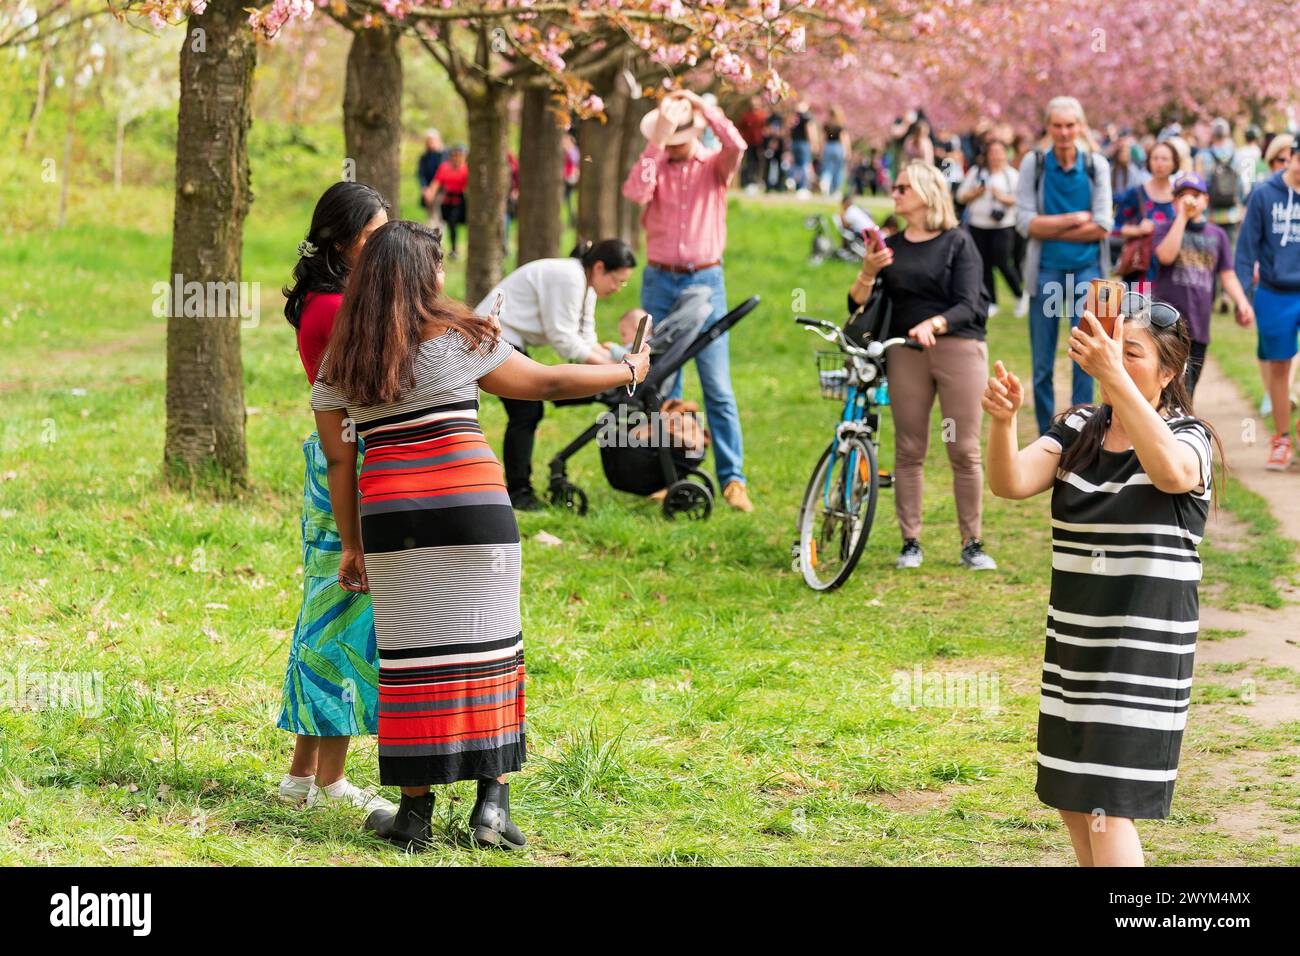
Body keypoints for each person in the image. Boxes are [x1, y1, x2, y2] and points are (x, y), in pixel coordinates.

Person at [309, 220, 650, 851]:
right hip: (474, 509)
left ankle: (414, 815)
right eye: (438, 266)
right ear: (422, 277)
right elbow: (547, 380)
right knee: (491, 649)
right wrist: (626, 370)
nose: (444, 276)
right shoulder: (463, 337)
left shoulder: (343, 358)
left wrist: (352, 546)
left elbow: (339, 461)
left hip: (393, 518)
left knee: (411, 661)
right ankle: (491, 810)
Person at [983, 291, 1217, 867]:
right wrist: (1003, 422)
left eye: (1131, 352)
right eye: (1112, 347)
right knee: (1076, 804)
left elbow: (1171, 474)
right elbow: (1009, 481)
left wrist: (1114, 378)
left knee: (1107, 810)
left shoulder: (1190, 437)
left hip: (1141, 660)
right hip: (1074, 655)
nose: (1115, 357)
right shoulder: (1080, 428)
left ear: (1170, 372)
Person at [277, 181, 394, 820]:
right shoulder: (334, 310)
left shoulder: (335, 299)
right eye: (375, 236)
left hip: (341, 462)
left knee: (329, 616)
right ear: (347, 239)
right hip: (344, 469)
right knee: (343, 622)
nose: (382, 247)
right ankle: (330, 782)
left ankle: (303, 776)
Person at [850, 161, 995, 571]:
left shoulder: (957, 242)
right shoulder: (890, 245)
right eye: (893, 187)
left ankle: (972, 542)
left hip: (958, 349)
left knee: (963, 449)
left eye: (902, 188)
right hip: (905, 351)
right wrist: (868, 270)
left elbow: (972, 303)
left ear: (927, 193)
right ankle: (910, 541)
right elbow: (856, 305)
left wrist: (936, 322)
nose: (894, 194)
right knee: (909, 449)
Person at [622, 88, 754, 512]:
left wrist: (703, 105)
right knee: (661, 382)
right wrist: (655, 143)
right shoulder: (655, 165)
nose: (675, 146)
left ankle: (733, 479)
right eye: (669, 139)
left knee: (716, 384)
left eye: (679, 137)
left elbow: (737, 144)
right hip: (659, 281)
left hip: (705, 280)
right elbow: (635, 193)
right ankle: (669, 474)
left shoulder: (715, 166)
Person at [475, 239, 643, 510]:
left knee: (529, 410)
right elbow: (563, 339)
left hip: (508, 339)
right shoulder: (569, 277)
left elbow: (586, 338)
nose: (618, 288)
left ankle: (518, 489)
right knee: (526, 412)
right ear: (600, 268)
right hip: (490, 335)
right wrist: (618, 372)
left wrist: (615, 369)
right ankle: (519, 493)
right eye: (618, 281)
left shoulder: (585, 284)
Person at [1015, 95, 1114, 435]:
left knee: (1085, 357)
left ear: (1080, 127)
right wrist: (1073, 220)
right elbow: (1025, 223)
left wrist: (1051, 225)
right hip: (1045, 270)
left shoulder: (1096, 165)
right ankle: (1049, 434)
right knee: (1042, 363)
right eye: (1057, 125)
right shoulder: (1035, 163)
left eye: (1070, 125)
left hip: (1089, 271)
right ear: (1048, 127)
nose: (1064, 132)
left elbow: (1103, 225)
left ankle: (1081, 429)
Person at [1153, 173, 1255, 395]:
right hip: (1165, 327)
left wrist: (1242, 302)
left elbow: (1227, 275)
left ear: (1206, 200)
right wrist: (1181, 218)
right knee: (1167, 388)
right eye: (1183, 196)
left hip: (1198, 327)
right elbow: (1166, 256)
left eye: (1196, 195)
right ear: (1174, 201)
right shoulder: (1165, 228)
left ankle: (1182, 428)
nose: (1190, 200)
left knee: (1188, 390)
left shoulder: (1217, 235)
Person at [1234, 145, 1300, 470]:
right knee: (1279, 367)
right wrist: (1243, 297)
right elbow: (1245, 250)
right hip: (1275, 292)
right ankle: (1282, 438)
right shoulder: (1263, 194)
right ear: (1293, 158)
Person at [957, 138, 1022, 314]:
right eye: (992, 153)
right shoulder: (977, 172)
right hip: (978, 225)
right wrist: (975, 193)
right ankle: (992, 301)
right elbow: (961, 196)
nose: (996, 157)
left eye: (999, 152)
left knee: (1003, 262)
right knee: (983, 264)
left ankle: (1019, 295)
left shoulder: (1011, 175)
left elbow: (1021, 199)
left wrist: (1002, 198)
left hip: (1003, 226)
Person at [1195, 118, 1251, 313]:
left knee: (1209, 255)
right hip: (1232, 214)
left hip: (1210, 214)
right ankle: (1227, 295)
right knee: (1230, 255)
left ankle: (1210, 296)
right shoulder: (1237, 156)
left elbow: (1198, 183)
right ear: (1227, 134)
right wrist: (1240, 204)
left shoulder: (1204, 155)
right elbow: (1243, 186)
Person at [1112, 140, 1177, 287]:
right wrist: (1137, 230)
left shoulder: (1180, 198)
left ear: (1174, 163)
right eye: (1155, 158)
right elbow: (1114, 228)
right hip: (1140, 271)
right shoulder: (1136, 193)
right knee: (1136, 309)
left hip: (1173, 274)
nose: (1159, 163)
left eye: (1165, 159)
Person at [431, 144, 469, 259]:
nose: (456, 158)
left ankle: (455, 249)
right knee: (445, 223)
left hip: (460, 200)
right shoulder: (444, 167)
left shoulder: (466, 169)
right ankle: (443, 248)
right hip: (447, 200)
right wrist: (431, 193)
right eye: (453, 156)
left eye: (459, 156)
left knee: (453, 223)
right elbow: (437, 181)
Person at [738, 95, 769, 193]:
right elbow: (741, 128)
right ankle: (750, 181)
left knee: (760, 162)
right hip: (749, 143)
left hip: (760, 143)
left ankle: (759, 181)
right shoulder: (746, 115)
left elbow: (766, 128)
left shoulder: (763, 115)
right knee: (750, 162)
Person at [416, 129, 445, 228]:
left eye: (432, 141)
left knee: (439, 216)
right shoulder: (424, 157)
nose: (430, 144)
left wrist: (432, 190)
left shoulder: (443, 155)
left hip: (442, 191)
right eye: (428, 141)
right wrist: (425, 189)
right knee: (431, 215)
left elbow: (442, 173)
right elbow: (421, 174)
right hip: (428, 191)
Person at [820, 106, 851, 195]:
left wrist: (822, 150)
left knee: (827, 168)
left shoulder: (826, 125)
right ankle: (836, 189)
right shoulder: (841, 125)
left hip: (828, 147)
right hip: (838, 147)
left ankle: (825, 182)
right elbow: (844, 139)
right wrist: (847, 150)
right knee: (838, 170)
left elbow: (823, 139)